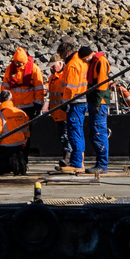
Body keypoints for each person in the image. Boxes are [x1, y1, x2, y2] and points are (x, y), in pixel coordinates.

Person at [51, 38, 88, 174]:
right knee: (78, 132)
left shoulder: (72, 65)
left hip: (75, 103)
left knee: (74, 133)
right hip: (82, 101)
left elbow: (70, 88)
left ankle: (77, 163)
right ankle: (78, 160)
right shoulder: (82, 62)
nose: (61, 58)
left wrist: (65, 102)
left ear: (65, 53)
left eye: (61, 55)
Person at [0, 91, 31, 175]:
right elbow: (27, 134)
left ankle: (9, 164)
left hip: (4, 149)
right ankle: (18, 162)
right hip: (19, 148)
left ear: (0, 100)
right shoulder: (22, 113)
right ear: (11, 99)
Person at [80, 44, 110, 173]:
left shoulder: (101, 61)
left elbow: (102, 84)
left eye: (85, 59)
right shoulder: (94, 62)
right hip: (93, 102)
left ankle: (102, 164)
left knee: (99, 133)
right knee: (94, 133)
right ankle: (100, 162)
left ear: (89, 56)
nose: (84, 62)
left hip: (100, 103)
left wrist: (97, 103)